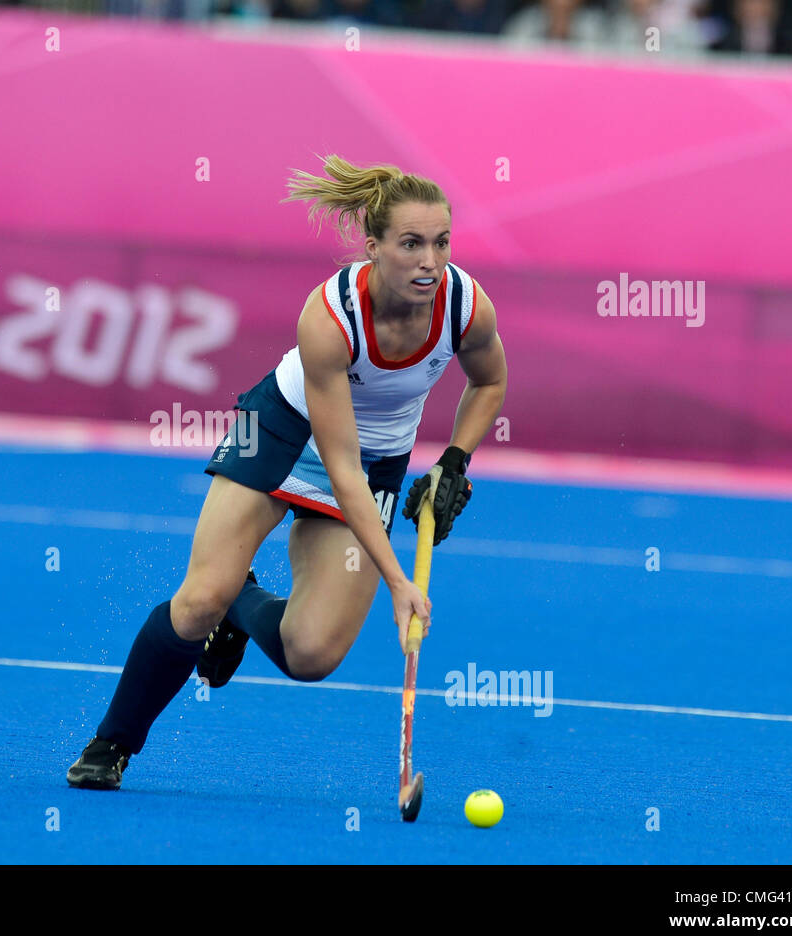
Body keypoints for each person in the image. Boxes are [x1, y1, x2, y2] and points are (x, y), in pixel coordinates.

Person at [67, 155, 508, 790]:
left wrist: (454, 462)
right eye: (410, 244)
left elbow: (489, 381)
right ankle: (112, 742)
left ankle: (241, 607)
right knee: (197, 600)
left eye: (441, 243)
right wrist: (397, 582)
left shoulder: (466, 306)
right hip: (278, 430)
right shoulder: (330, 319)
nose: (429, 262)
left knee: (312, 655)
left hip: (377, 459)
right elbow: (341, 470)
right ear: (374, 246)